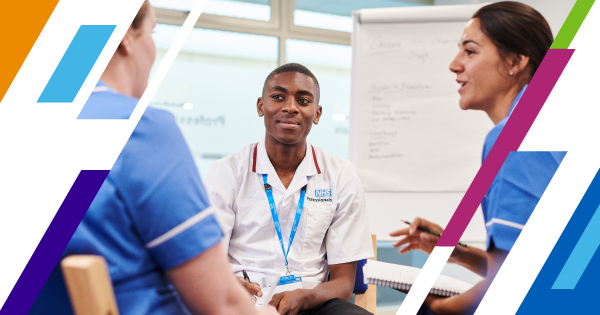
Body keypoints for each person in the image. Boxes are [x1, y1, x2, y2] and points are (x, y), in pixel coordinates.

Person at [30, 2, 278, 315]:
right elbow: (222, 305)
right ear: (126, 38)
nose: (153, 49)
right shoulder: (142, 131)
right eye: (152, 32)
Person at [389, 2, 567, 315]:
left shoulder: (513, 137)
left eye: (470, 52)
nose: (454, 65)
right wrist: (455, 252)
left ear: (516, 60)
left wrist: (437, 308)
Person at [204, 63, 375, 315]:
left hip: (312, 302)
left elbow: (344, 283)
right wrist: (228, 285)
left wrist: (305, 297)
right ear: (261, 106)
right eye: (278, 97)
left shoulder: (340, 174)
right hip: (242, 301)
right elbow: (207, 263)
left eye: (303, 100)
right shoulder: (226, 172)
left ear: (317, 114)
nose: (290, 107)